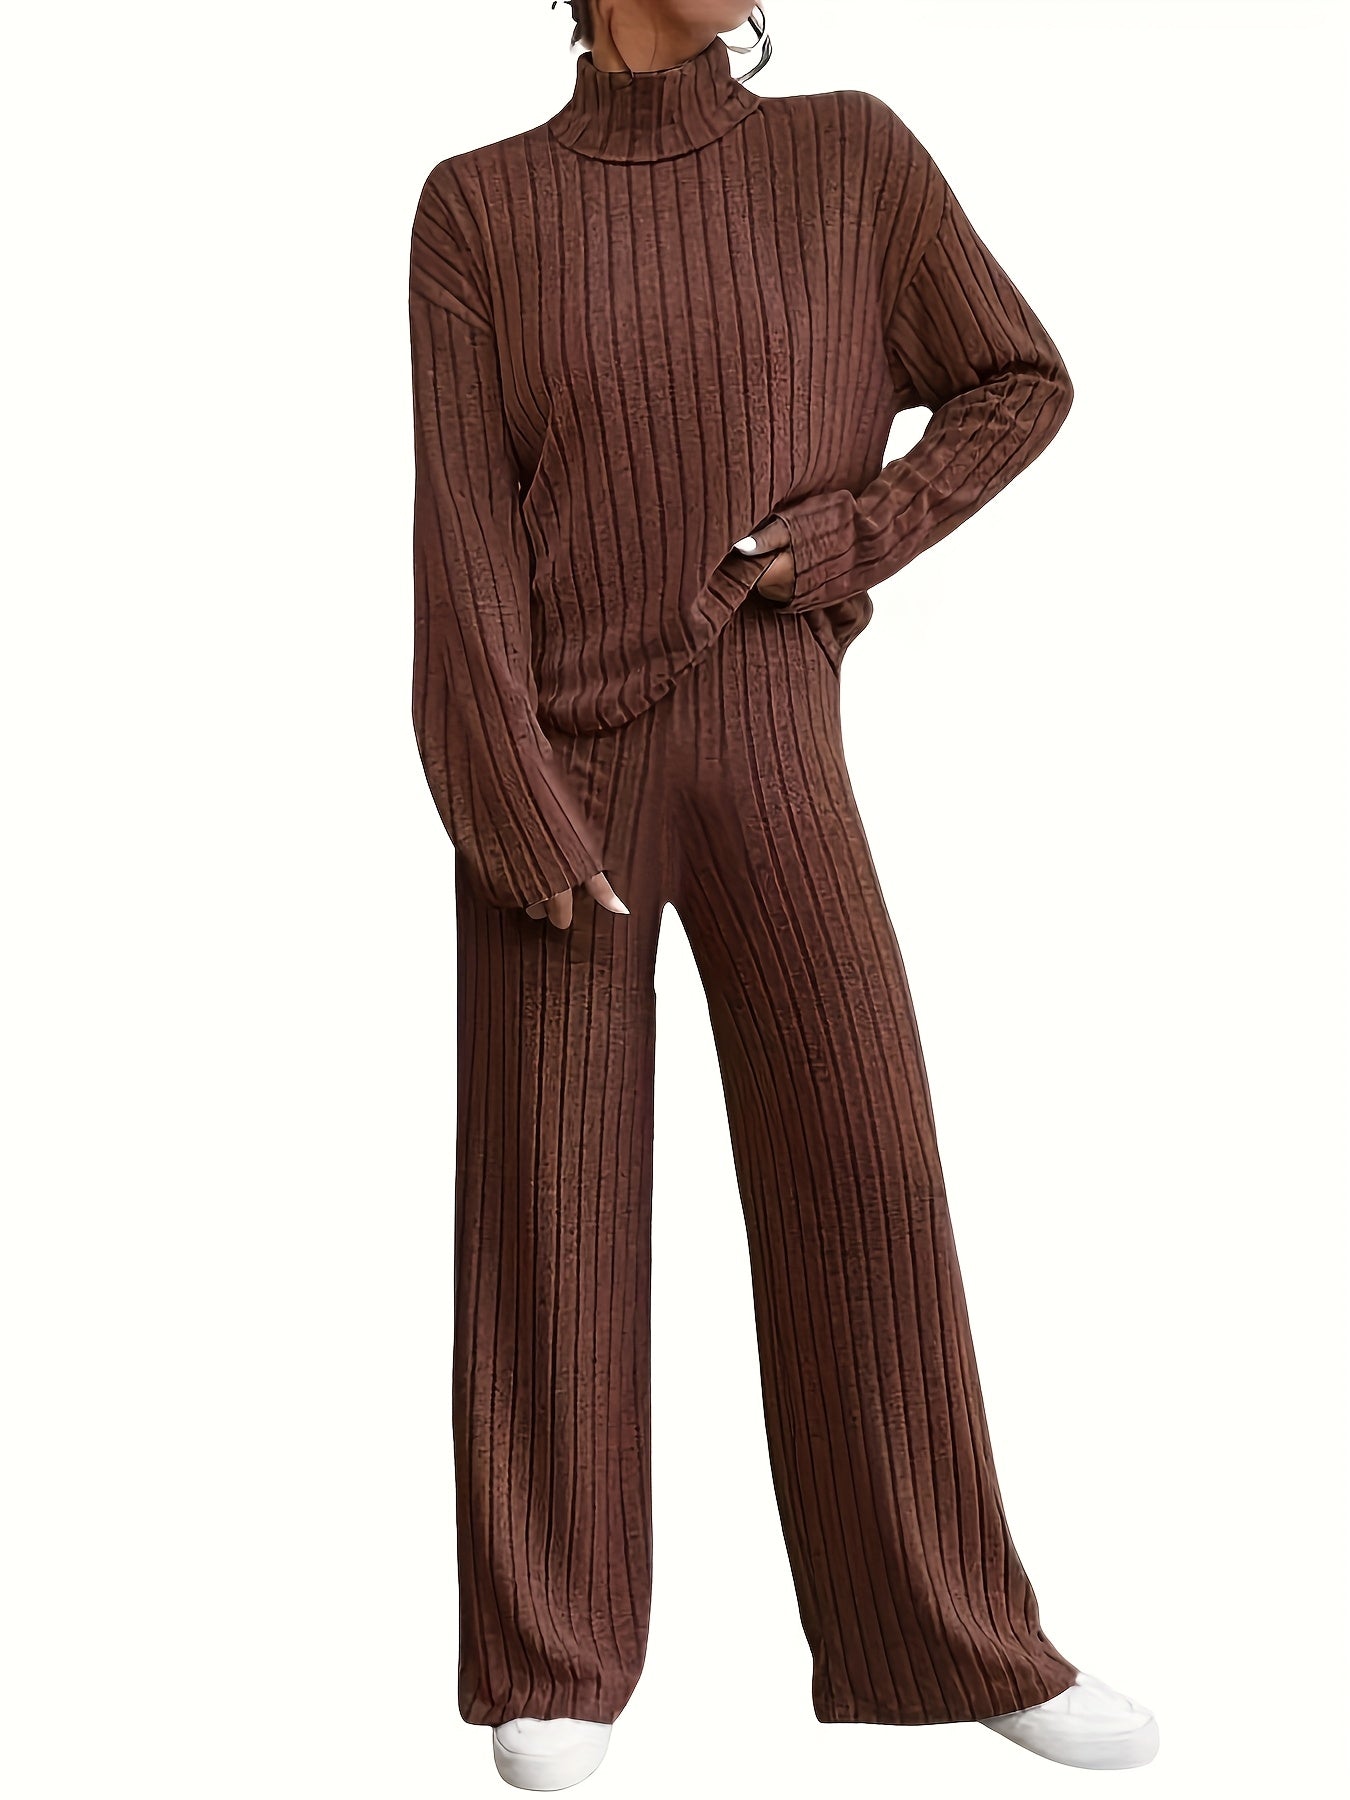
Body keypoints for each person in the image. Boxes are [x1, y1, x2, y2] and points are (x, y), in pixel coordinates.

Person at [407, 1, 1158, 1786]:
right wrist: (505, 799)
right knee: (546, 1210)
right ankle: (551, 1656)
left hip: (769, 737)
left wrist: (852, 536)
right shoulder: (476, 206)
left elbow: (1015, 379)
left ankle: (946, 1634)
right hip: (558, 768)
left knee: (864, 1177)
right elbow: (457, 535)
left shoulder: (850, 158)